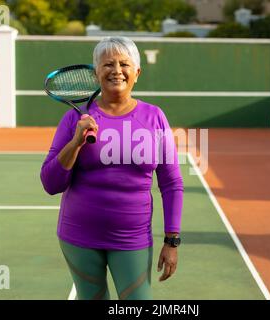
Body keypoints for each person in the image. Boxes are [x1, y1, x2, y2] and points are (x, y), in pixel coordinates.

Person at [40, 36, 184, 300]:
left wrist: (172, 240)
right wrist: (76, 142)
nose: (116, 70)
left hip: (133, 238)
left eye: (124, 64)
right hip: (78, 236)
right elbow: (50, 184)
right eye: (107, 64)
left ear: (136, 73)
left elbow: (171, 182)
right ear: (96, 73)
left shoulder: (154, 117)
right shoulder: (75, 118)